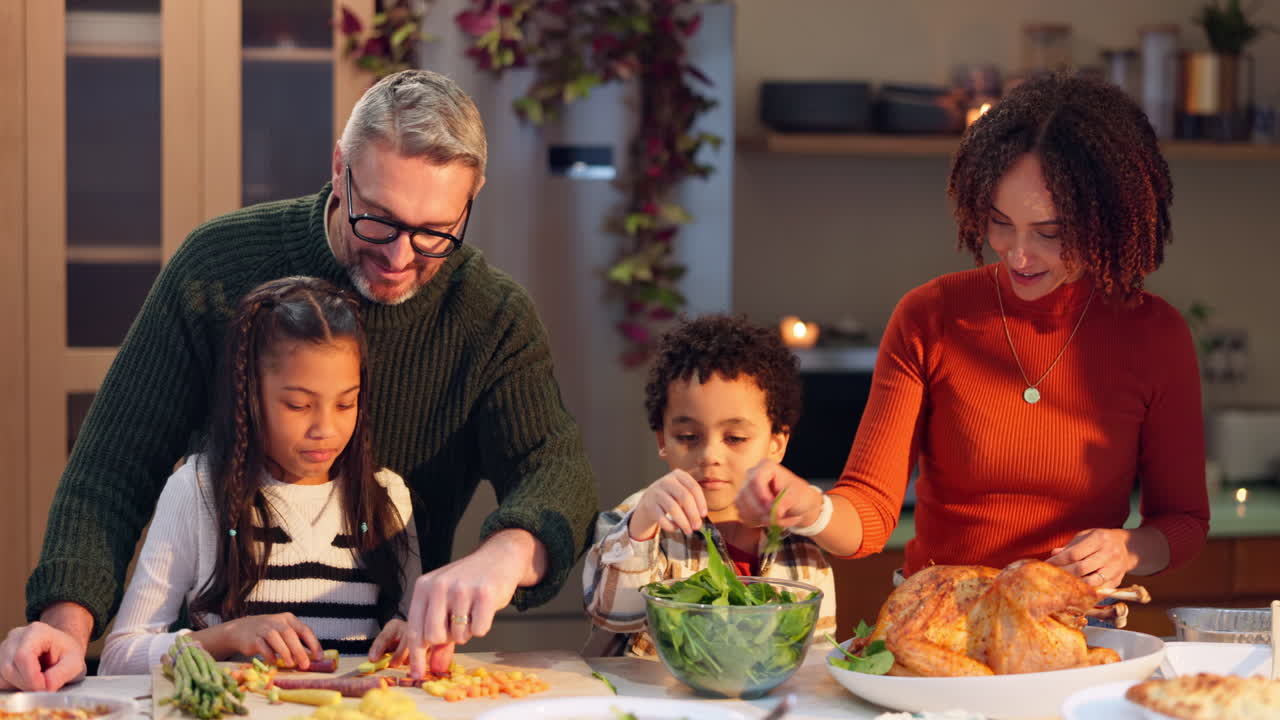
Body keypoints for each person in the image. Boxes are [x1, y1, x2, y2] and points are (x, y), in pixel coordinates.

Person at [0, 69, 596, 690]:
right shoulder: (218, 267)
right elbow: (112, 467)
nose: (399, 258)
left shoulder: (490, 317)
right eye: (378, 221)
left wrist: (507, 553)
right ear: (339, 169)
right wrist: (64, 633)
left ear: (470, 202)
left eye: (434, 233)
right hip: (214, 687)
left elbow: (556, 469)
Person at [737, 74, 1210, 594]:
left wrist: (1127, 549)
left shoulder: (1155, 335)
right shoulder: (930, 317)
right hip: (939, 620)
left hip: (1075, 629)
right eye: (1000, 222)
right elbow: (869, 512)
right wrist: (811, 508)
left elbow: (1183, 521)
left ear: (1109, 222)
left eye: (1050, 233)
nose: (1018, 254)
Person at [100, 277, 418, 675]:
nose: (326, 429)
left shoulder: (385, 495)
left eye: (345, 403)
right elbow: (119, 659)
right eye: (299, 405)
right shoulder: (198, 490)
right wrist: (230, 636)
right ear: (250, 397)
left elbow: (413, 634)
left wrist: (408, 635)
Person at [583, 315, 837, 656]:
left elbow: (814, 654)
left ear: (776, 444)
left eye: (734, 437)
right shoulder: (640, 517)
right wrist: (642, 526)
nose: (710, 455)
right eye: (688, 437)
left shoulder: (800, 542)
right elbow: (611, 613)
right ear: (663, 440)